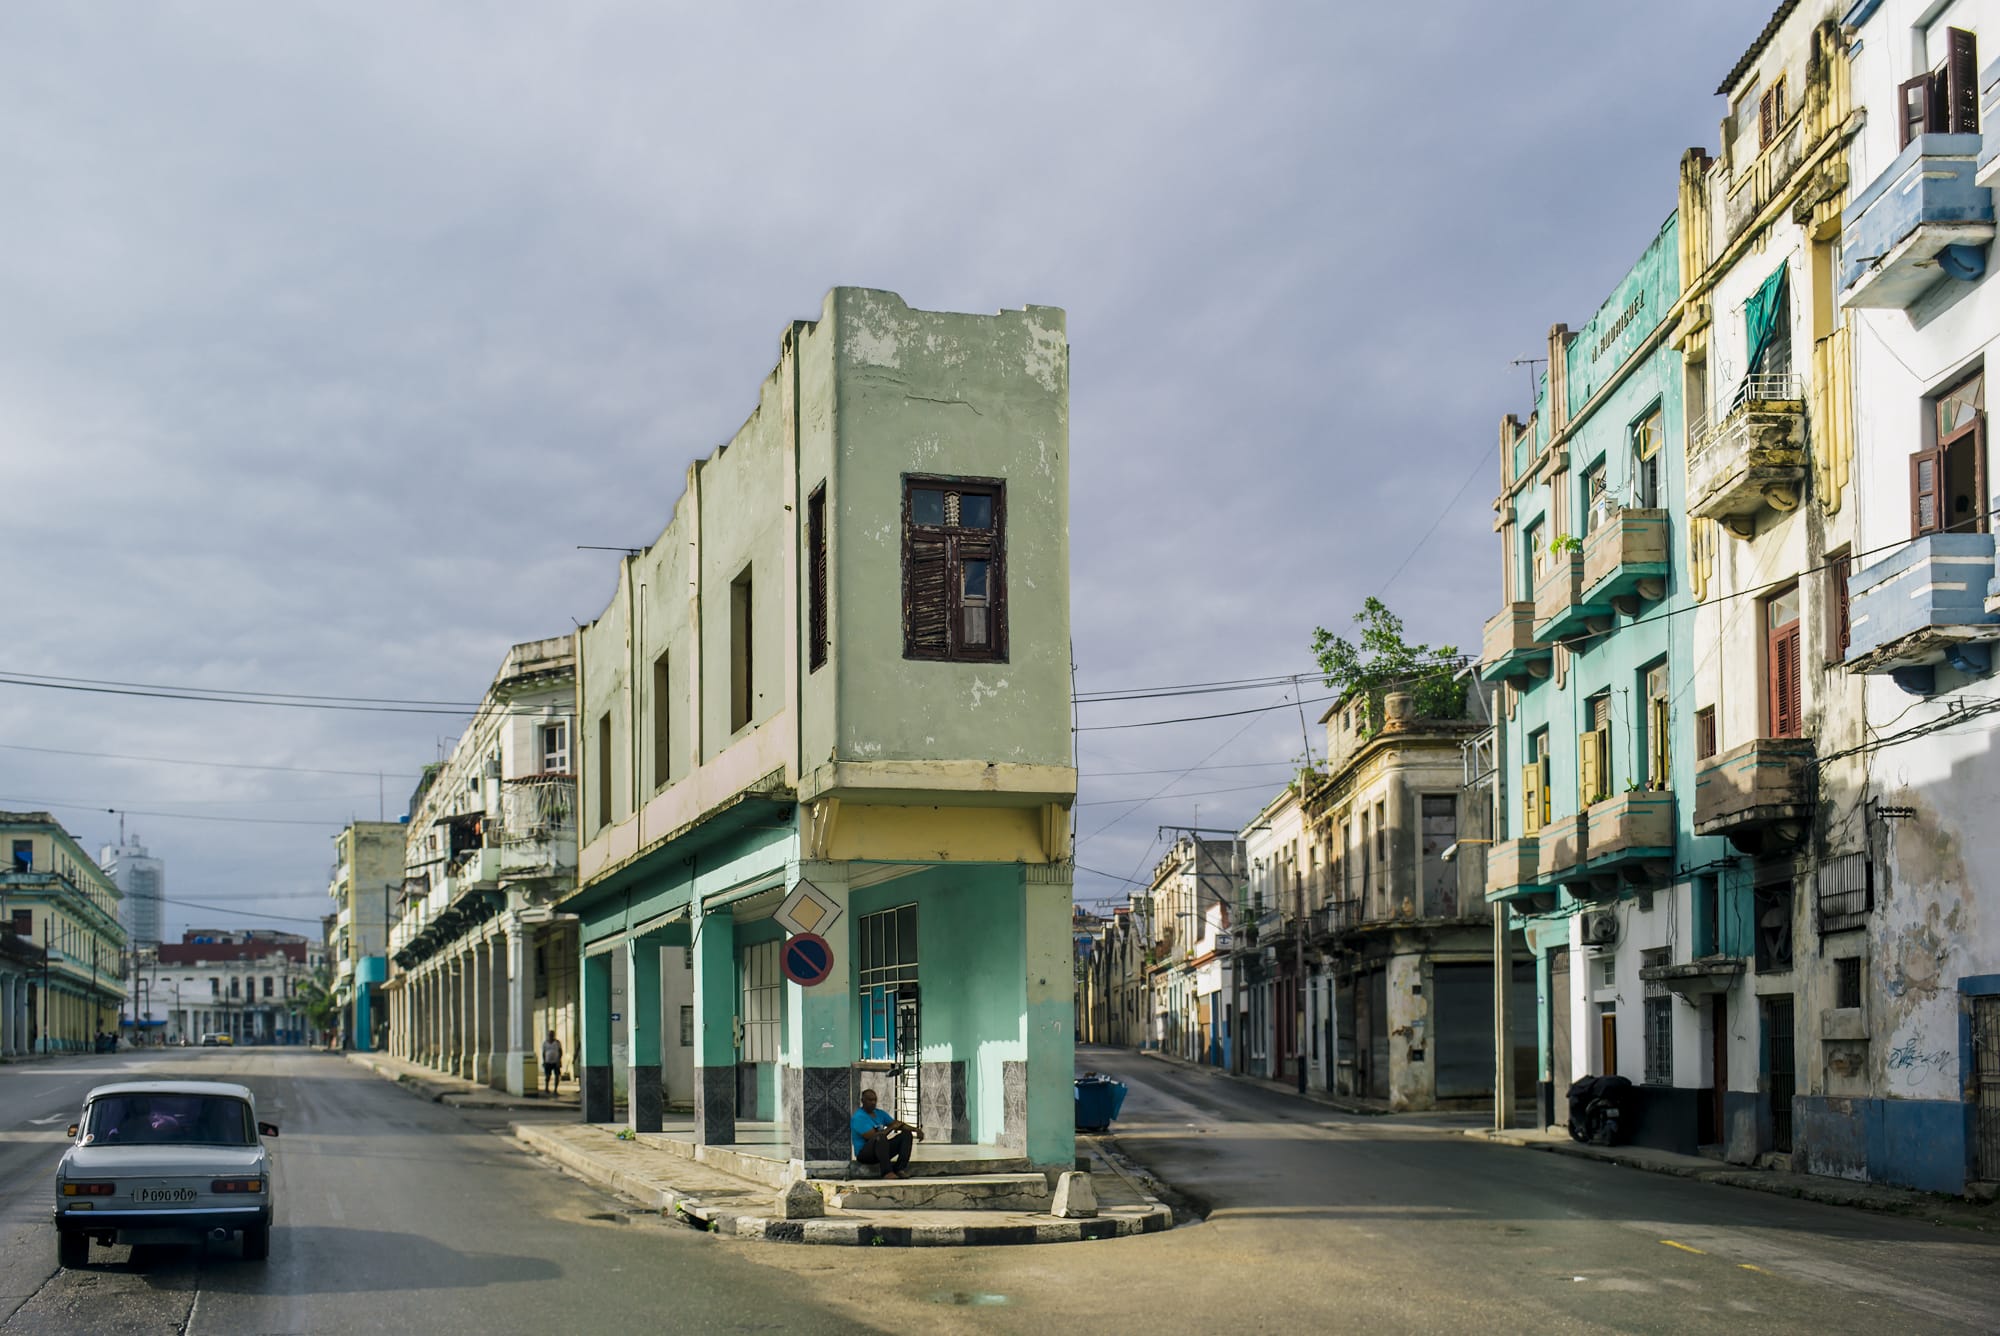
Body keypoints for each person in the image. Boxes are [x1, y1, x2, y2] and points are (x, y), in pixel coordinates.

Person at [850, 1087, 922, 1179]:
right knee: (880, 1137)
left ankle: (899, 1169)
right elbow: (872, 1136)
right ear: (862, 1101)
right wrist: (891, 1128)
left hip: (881, 1151)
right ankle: (887, 1172)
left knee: (906, 1135)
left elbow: (897, 1124)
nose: (873, 1102)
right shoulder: (859, 1117)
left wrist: (916, 1130)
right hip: (865, 1155)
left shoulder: (879, 1113)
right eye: (870, 1100)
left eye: (875, 1100)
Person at [541, 1031, 563, 1096]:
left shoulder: (557, 1043)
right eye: (550, 1035)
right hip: (548, 1062)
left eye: (552, 1035)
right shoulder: (545, 1043)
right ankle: (546, 1088)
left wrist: (559, 1060)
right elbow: (543, 1053)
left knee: (557, 1075)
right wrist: (544, 1061)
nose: (551, 1036)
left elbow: (560, 1051)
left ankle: (555, 1089)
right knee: (547, 1075)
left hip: (556, 1062)